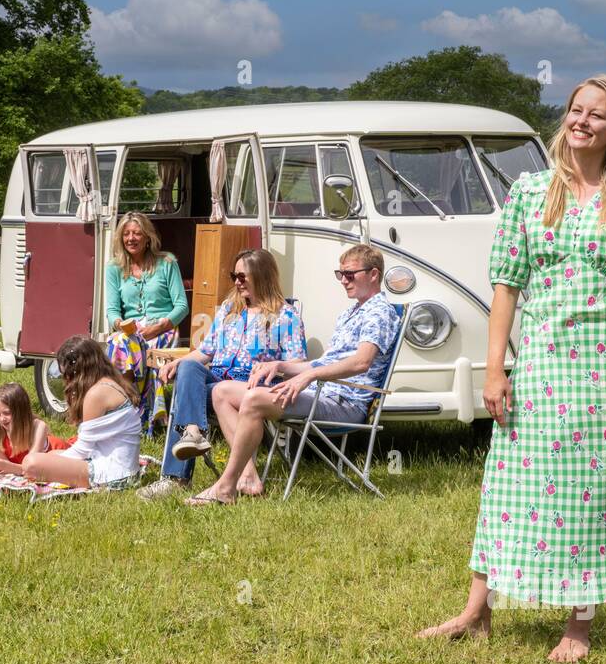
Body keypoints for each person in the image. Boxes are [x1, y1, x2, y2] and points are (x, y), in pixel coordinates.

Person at [416, 73, 606, 663]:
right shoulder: (532, 193)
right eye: (575, 110)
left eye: (597, 115)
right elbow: (506, 285)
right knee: (509, 487)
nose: (581, 121)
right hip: (537, 369)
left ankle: (579, 624)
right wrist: (494, 369)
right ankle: (474, 614)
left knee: (592, 495)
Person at [184, 244, 400, 506]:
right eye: (340, 274)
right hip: (323, 392)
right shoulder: (351, 312)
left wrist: (309, 376)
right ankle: (248, 477)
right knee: (222, 391)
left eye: (350, 274)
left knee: (253, 399)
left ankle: (225, 487)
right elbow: (321, 362)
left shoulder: (379, 312)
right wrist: (280, 366)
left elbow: (361, 362)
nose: (343, 280)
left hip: (343, 401)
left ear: (374, 274)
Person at [136, 248, 306, 501]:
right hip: (216, 378)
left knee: (195, 392)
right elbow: (205, 352)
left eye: (242, 276)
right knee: (190, 368)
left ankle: (178, 478)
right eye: (233, 276)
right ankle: (192, 432)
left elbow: (297, 362)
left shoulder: (285, 316)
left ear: (261, 275)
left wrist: (275, 367)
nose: (236, 282)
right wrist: (178, 363)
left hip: (250, 385)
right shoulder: (229, 310)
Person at [17, 335, 142, 490]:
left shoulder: (96, 394)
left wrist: (46, 461)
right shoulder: (109, 383)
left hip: (114, 476)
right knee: (50, 455)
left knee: (31, 463)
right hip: (124, 470)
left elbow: (83, 450)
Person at [103, 210, 189, 427]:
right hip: (131, 331)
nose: (131, 238)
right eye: (126, 234)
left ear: (148, 237)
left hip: (163, 329)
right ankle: (129, 409)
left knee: (126, 346)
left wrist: (159, 326)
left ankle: (132, 413)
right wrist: (120, 325)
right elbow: (112, 311)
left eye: (137, 234)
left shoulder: (167, 262)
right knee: (120, 341)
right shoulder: (114, 268)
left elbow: (181, 306)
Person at [0, 382, 50, 475]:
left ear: (21, 411)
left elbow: (32, 467)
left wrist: (8, 467)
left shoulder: (38, 426)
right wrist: (3, 466)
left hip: (59, 457)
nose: (2, 419)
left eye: (7, 413)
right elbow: (4, 466)